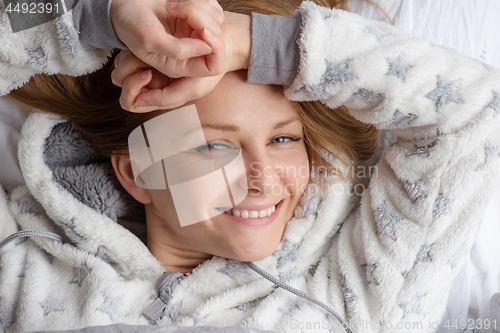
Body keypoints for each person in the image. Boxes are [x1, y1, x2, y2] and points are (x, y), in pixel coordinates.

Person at [1, 1, 500, 333]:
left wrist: (259, 45)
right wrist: (101, 17)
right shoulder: (20, 265)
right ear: (137, 172)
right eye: (215, 148)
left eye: (282, 139)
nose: (262, 176)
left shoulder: (357, 300)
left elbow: (474, 110)